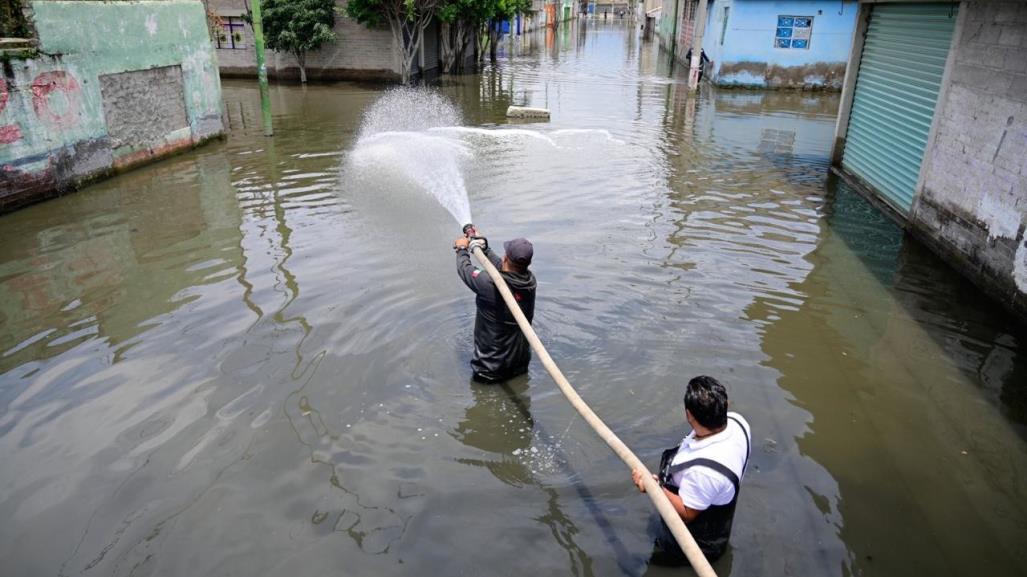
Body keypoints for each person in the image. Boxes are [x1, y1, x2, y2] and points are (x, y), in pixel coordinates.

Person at [632, 376, 750, 563]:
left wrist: (653, 487)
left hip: (696, 546)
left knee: (651, 561)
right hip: (712, 511)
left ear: (689, 415)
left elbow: (687, 514)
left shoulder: (705, 473)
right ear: (725, 405)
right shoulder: (737, 422)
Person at [454, 230, 537, 383]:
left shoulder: (487, 284)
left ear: (506, 257)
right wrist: (485, 249)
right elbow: (505, 268)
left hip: (488, 371)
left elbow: (464, 269)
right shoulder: (530, 282)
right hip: (519, 367)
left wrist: (462, 249)